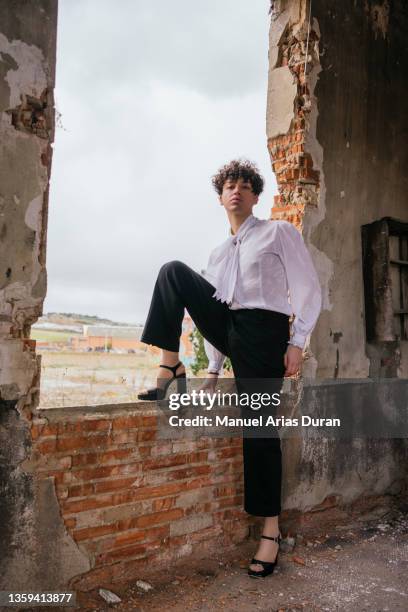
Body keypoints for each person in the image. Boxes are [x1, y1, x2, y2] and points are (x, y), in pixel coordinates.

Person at [139, 159, 322, 578]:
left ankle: (270, 532)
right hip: (231, 327)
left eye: (244, 185)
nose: (235, 190)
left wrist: (297, 342)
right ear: (220, 197)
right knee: (173, 273)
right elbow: (215, 314)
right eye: (228, 186)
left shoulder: (279, 232)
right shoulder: (219, 253)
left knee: (259, 431)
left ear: (256, 196)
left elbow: (309, 287)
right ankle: (171, 365)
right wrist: (215, 369)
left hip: (264, 331)